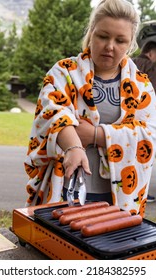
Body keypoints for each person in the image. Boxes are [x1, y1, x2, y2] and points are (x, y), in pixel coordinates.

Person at [24, 0, 156, 217]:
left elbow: (149, 135)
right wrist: (74, 147)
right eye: (103, 36)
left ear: (130, 43)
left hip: (117, 197)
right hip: (65, 187)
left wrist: (95, 135)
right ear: (91, 33)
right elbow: (53, 112)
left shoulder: (141, 86)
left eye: (120, 40)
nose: (110, 46)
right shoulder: (64, 72)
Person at [133, 23, 156, 203]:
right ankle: (142, 193)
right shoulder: (150, 67)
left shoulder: (129, 64)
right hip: (145, 121)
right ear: (152, 51)